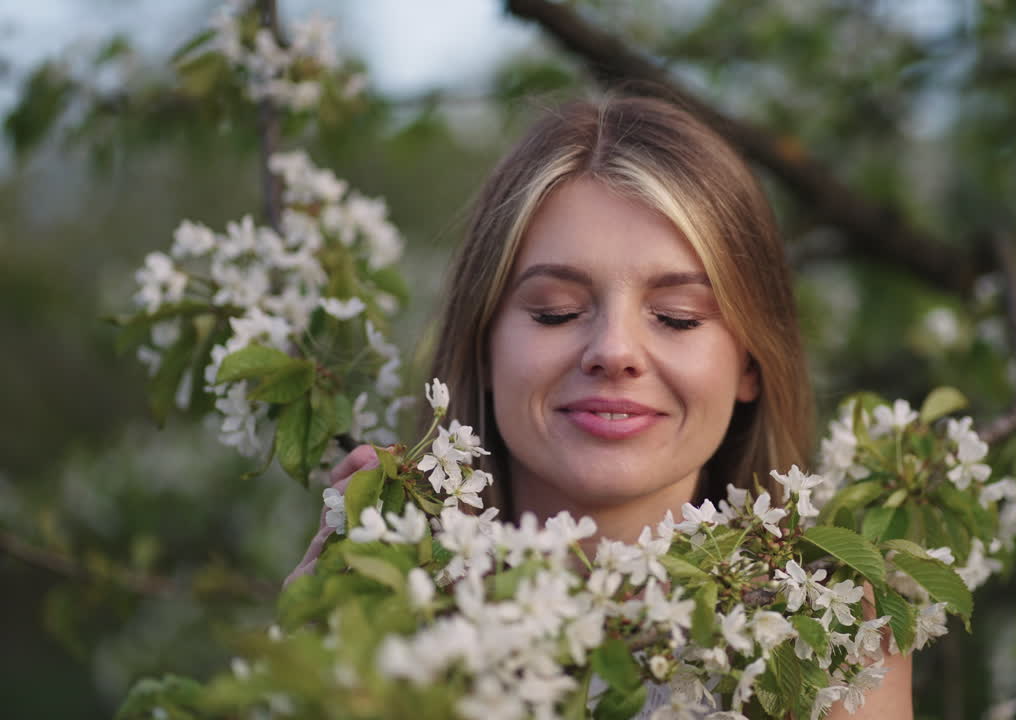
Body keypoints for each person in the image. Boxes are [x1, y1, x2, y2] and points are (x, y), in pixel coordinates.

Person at [288, 94, 912, 719]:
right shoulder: (396, 615)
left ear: (750, 361)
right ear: (484, 346)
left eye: (678, 318)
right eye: (555, 311)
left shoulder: (824, 626)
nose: (614, 352)